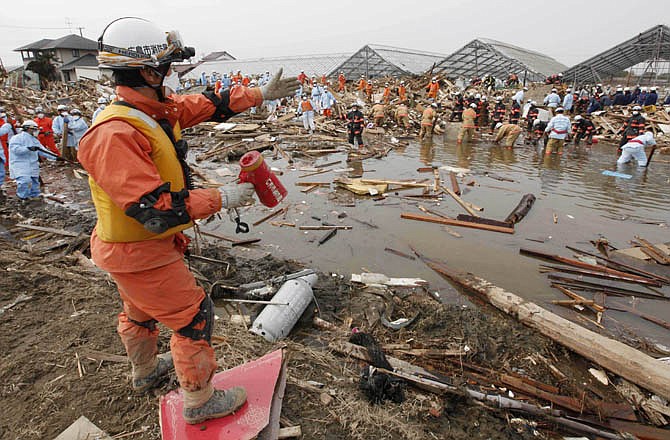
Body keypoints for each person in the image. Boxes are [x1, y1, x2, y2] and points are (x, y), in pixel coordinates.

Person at [77, 17, 298, 425]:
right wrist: (222, 197)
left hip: (131, 249)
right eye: (166, 67)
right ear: (147, 71)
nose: (172, 75)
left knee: (141, 312)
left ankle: (145, 372)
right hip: (140, 250)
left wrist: (259, 94)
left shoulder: (149, 110)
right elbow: (156, 210)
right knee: (194, 315)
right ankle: (199, 401)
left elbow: (207, 104)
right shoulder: (114, 135)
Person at [9, 120, 53, 200]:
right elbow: (15, 150)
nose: (36, 132)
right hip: (20, 165)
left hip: (32, 164)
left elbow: (43, 151)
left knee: (34, 182)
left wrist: (56, 157)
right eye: (34, 129)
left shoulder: (34, 140)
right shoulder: (16, 138)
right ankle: (23, 198)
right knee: (24, 181)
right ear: (28, 129)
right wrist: (28, 148)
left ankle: (34, 197)